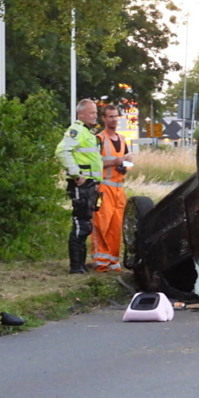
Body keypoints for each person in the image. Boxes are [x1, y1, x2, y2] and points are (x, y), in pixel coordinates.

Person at [56, 99, 103, 273]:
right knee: (81, 224)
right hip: (81, 184)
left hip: (89, 185)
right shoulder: (77, 130)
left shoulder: (88, 133)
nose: (95, 116)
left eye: (96, 113)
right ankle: (76, 267)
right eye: (92, 113)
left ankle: (81, 266)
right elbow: (61, 151)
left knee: (85, 224)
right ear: (81, 114)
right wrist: (76, 173)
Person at [91, 104, 131, 272]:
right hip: (103, 187)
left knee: (116, 226)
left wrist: (126, 165)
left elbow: (127, 161)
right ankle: (100, 261)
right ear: (104, 118)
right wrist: (114, 162)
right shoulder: (98, 139)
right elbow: (93, 163)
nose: (114, 119)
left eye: (116, 116)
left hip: (119, 189)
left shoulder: (122, 140)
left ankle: (113, 261)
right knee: (101, 224)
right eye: (110, 116)